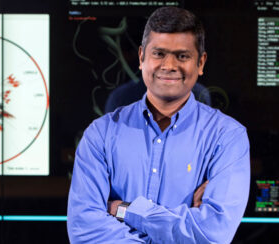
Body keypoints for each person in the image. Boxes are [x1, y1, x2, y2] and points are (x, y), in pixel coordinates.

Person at [67, 7, 250, 244]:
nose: (169, 65)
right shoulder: (100, 134)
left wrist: (125, 210)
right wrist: (182, 226)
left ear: (201, 63)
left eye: (182, 56)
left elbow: (213, 233)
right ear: (142, 58)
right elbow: (85, 232)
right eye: (159, 54)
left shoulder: (228, 138)